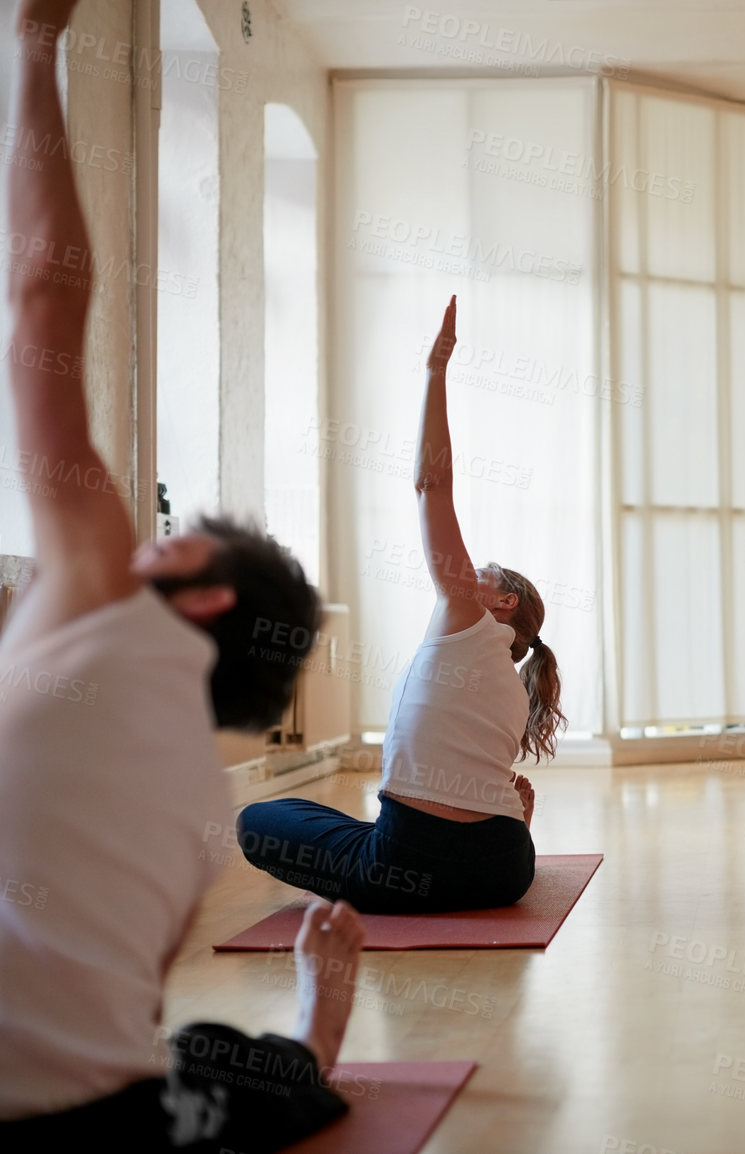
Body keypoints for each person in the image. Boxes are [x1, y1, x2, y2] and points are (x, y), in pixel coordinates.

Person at [0, 3, 363, 1147]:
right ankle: (311, 1037)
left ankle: (306, 1040)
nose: (135, 535)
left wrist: (36, 42)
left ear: (199, 598)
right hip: (106, 1116)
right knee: (222, 1063)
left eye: (170, 542)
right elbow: (136, 1004)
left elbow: (44, 300)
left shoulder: (102, 598)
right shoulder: (210, 815)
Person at [236, 298, 566, 914]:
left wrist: (435, 372)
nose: (470, 572)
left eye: (482, 572)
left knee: (260, 816)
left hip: (410, 864)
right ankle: (510, 826)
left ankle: (427, 845)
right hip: (504, 869)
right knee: (336, 823)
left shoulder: (468, 617)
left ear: (501, 599)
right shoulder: (512, 684)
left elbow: (430, 485)